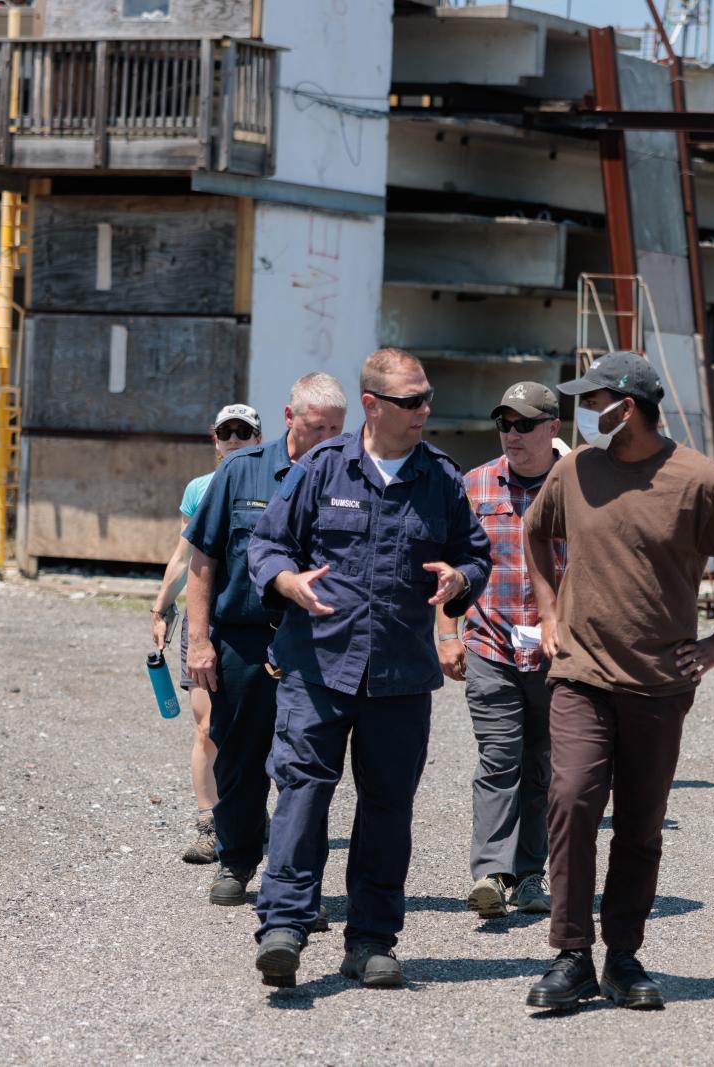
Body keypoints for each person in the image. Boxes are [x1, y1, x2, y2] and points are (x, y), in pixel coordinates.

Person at [522, 352, 714, 1012]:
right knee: (574, 796)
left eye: (596, 398)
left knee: (639, 826)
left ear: (627, 407)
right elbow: (534, 533)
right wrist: (549, 611)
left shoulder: (698, 479)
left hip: (659, 685)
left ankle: (623, 956)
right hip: (580, 672)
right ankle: (572, 953)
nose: (587, 410)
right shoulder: (576, 469)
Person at [247, 348, 491, 990]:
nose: (424, 411)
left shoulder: (440, 477)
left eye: (427, 398)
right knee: (301, 795)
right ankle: (284, 928)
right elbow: (267, 542)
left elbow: (474, 553)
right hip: (316, 669)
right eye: (411, 401)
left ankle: (373, 940)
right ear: (374, 406)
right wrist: (287, 581)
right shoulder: (323, 469)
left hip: (401, 679)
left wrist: (461, 579)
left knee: (387, 810)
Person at [182, 373, 348, 908]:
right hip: (244, 641)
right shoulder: (240, 471)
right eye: (316, 426)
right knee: (237, 756)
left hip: (317, 644)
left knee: (304, 764)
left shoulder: (352, 477)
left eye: (336, 428)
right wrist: (199, 640)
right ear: (288, 418)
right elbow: (203, 559)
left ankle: (298, 879)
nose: (327, 438)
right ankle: (236, 860)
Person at [436, 381, 566, 920]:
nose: (512, 434)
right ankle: (490, 872)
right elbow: (443, 568)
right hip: (489, 644)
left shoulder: (576, 488)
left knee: (542, 764)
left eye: (524, 424)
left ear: (552, 427)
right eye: (504, 424)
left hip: (558, 652)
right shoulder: (475, 485)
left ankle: (531, 875)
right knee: (498, 757)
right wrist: (446, 633)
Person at [151, 403, 261, 863]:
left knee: (260, 730)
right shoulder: (199, 490)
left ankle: (253, 816)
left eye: (243, 432)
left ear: (259, 439)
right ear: (215, 440)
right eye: (225, 432)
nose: (233, 439)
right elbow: (184, 557)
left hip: (255, 625)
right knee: (207, 727)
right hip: (205, 623)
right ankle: (208, 823)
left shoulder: (275, 482)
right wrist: (162, 608)